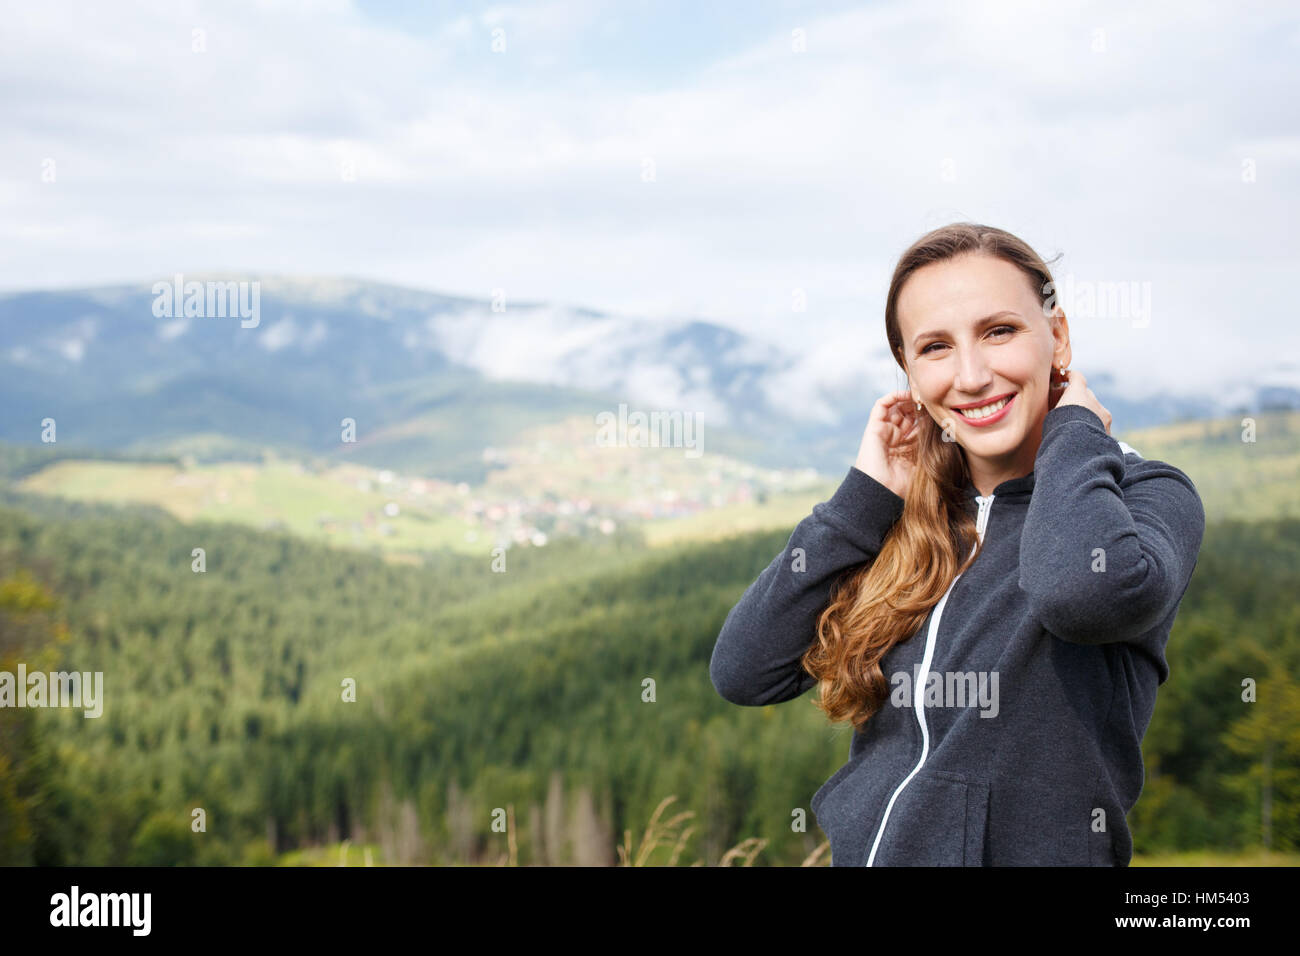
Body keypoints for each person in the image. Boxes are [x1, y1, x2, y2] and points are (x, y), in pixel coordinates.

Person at [709, 222, 1205, 866]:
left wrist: (1076, 432)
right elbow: (745, 670)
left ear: (1057, 336)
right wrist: (866, 496)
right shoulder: (906, 517)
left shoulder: (1145, 498)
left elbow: (1081, 593)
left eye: (999, 331)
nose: (970, 376)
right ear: (910, 375)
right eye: (935, 348)